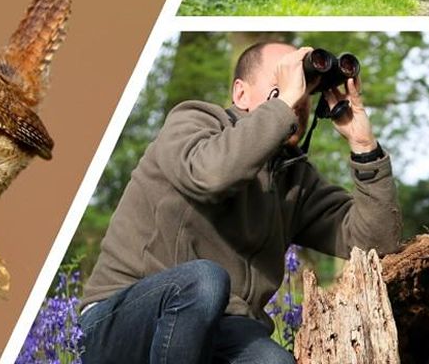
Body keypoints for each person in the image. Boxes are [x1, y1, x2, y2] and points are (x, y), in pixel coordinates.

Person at [79, 42, 401, 364]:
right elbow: (211, 175)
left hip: (222, 327)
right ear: (241, 94)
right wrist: (284, 104)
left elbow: (375, 242)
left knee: (273, 361)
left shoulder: (294, 178)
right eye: (284, 83)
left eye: (304, 88)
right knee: (205, 280)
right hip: (120, 319)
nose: (299, 99)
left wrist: (364, 146)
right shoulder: (193, 123)